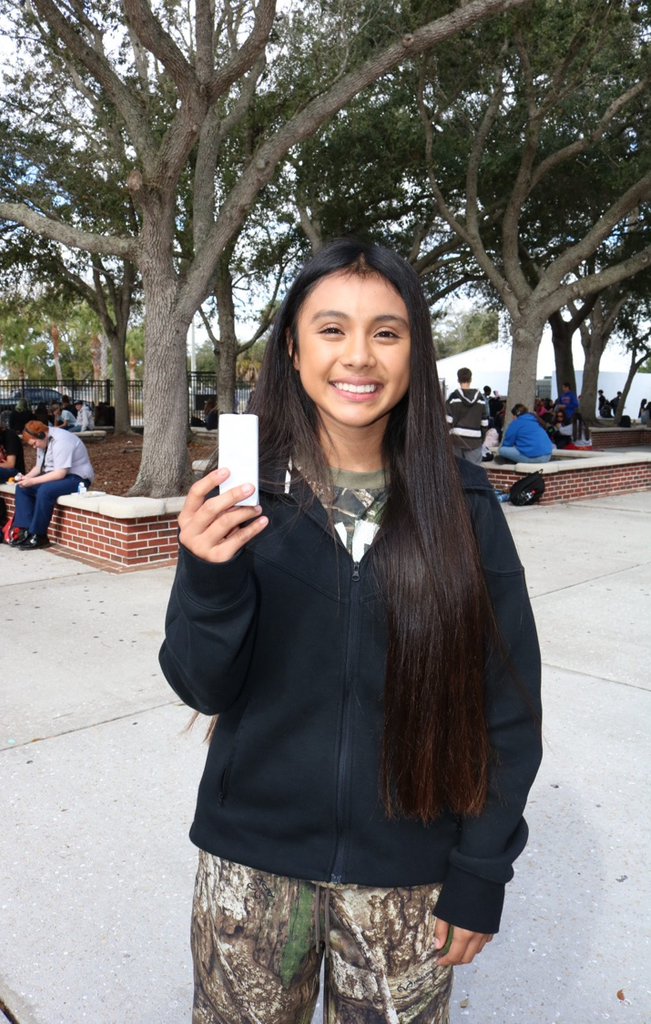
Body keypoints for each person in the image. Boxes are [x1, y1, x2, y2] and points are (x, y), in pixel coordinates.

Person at [159, 240, 542, 1024]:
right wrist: (209, 573)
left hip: (407, 883)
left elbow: (507, 707)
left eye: (386, 332)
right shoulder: (240, 496)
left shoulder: (463, 506)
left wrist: (480, 870)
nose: (357, 356)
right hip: (250, 872)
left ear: (414, 352)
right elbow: (201, 685)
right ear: (293, 348)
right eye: (331, 329)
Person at [11, 420, 94, 549]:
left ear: (41, 435)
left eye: (34, 443)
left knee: (45, 491)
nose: (34, 447)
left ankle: (39, 535)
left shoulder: (62, 441)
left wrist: (32, 481)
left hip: (77, 478)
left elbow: (60, 473)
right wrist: (25, 479)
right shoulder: (44, 442)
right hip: (57, 476)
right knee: (22, 489)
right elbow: (39, 467)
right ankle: (25, 530)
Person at [444, 367, 488, 464]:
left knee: (457, 471)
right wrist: (481, 439)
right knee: (474, 473)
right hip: (475, 441)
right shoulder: (480, 399)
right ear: (471, 379)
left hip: (456, 440)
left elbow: (448, 422)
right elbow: (484, 423)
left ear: (458, 380)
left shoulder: (453, 398)